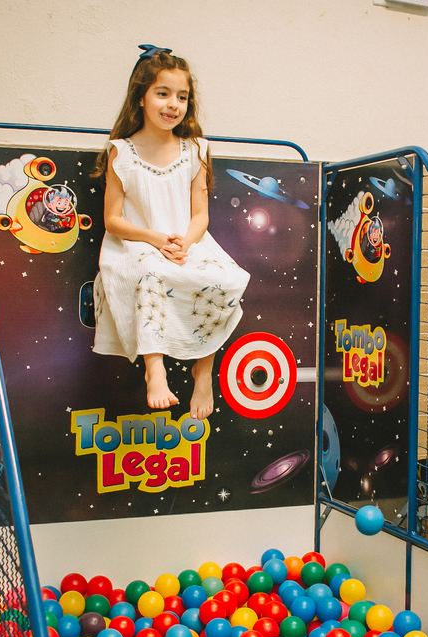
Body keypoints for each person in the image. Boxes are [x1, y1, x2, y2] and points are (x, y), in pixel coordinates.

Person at [91, 45, 249, 419]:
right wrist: (155, 239)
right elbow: (112, 220)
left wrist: (185, 243)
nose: (172, 105)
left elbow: (200, 215)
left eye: (181, 97)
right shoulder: (121, 152)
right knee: (151, 273)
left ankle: (203, 371)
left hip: (186, 239)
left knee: (222, 278)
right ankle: (155, 369)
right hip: (137, 243)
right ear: (141, 97)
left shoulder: (196, 150)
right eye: (162, 94)